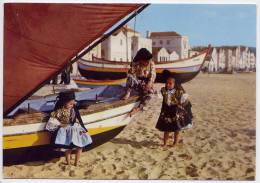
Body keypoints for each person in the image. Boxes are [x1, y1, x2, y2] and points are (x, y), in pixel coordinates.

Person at [47, 90, 92, 166]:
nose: (72, 105)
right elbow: (52, 120)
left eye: (73, 103)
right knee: (68, 148)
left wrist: (84, 129)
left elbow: (79, 119)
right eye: (70, 103)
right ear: (64, 103)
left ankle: (76, 163)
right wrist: (60, 124)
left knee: (80, 146)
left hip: (76, 129)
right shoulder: (59, 111)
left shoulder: (74, 109)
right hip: (67, 131)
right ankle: (68, 162)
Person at [155, 76, 192, 148]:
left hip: (175, 112)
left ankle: (175, 143)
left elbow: (185, 100)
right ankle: (165, 143)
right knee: (166, 129)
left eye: (170, 83)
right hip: (166, 111)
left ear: (174, 84)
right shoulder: (163, 90)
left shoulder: (179, 92)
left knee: (176, 129)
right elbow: (156, 93)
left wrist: (181, 105)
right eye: (167, 83)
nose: (168, 85)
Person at [122, 48, 156, 116]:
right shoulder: (135, 63)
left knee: (150, 94)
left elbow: (153, 75)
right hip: (137, 81)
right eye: (146, 61)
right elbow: (130, 75)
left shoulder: (151, 63)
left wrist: (149, 83)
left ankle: (138, 109)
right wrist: (129, 90)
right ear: (141, 59)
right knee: (130, 77)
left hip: (146, 82)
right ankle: (127, 93)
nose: (147, 62)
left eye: (148, 60)